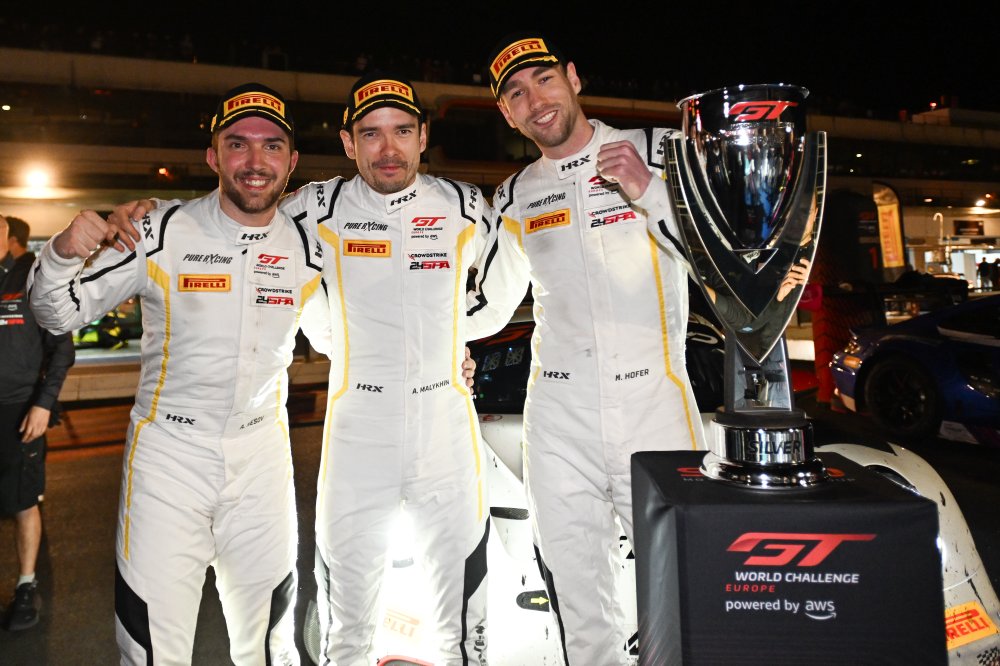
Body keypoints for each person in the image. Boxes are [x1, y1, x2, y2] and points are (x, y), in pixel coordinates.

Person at [106, 72, 492, 666]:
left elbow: (499, 289)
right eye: (371, 134)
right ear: (348, 143)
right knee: (347, 631)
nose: (388, 148)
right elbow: (238, 216)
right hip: (357, 425)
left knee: (464, 626)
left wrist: (458, 347)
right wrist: (152, 212)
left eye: (402, 131)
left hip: (446, 425)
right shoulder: (313, 209)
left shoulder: (467, 206)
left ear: (423, 137)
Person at [28, 82, 330, 665]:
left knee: (272, 647)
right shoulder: (160, 230)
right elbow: (56, 313)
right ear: (213, 157)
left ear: (292, 161)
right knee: (151, 651)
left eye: (271, 146)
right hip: (169, 459)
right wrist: (63, 252)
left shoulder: (310, 243)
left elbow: (354, 327)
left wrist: (451, 358)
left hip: (263, 458)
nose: (255, 160)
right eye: (237, 144)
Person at [467, 33, 706, 664]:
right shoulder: (515, 194)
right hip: (556, 415)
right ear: (507, 114)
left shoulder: (658, 151)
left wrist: (649, 191)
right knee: (578, 599)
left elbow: (719, 264)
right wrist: (438, 343)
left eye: (544, 79)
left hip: (655, 404)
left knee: (683, 585)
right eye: (517, 94)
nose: (536, 100)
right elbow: (488, 305)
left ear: (573, 78)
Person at [0, 215, 75, 632]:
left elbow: (62, 349)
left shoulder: (32, 278)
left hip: (19, 411)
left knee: (23, 502)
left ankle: (26, 585)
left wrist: (44, 405)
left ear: (6, 235)